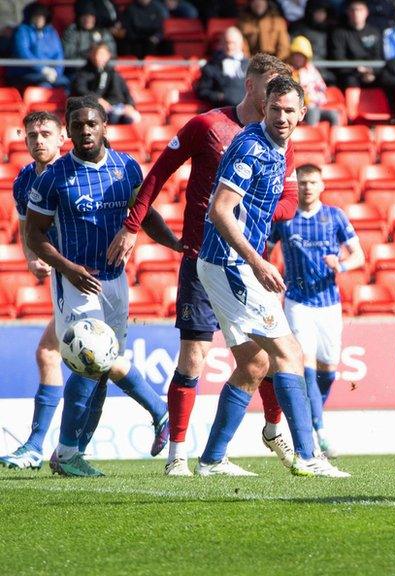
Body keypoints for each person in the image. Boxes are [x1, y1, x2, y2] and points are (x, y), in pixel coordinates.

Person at [105, 53, 299, 477]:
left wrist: (255, 210)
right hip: (201, 259)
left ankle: (271, 430)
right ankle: (178, 455)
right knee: (193, 359)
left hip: (246, 264)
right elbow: (158, 173)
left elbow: (291, 199)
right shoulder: (209, 126)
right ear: (251, 86)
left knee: (269, 354)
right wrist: (133, 226)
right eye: (270, 89)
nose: (277, 102)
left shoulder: (279, 141)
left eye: (284, 97)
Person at [194, 76, 346, 478]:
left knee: (255, 364)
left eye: (288, 110)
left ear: (302, 113)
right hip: (231, 264)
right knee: (289, 354)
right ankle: (308, 457)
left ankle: (210, 460)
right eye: (274, 108)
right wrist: (258, 262)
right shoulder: (250, 147)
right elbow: (220, 211)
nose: (281, 117)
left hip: (227, 264)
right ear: (265, 108)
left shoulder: (280, 149)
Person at [24, 97, 176, 477]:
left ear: (105, 126)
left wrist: (177, 245)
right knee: (91, 360)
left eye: (92, 124)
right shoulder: (53, 177)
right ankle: (70, 451)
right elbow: (35, 234)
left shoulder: (126, 167)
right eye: (78, 125)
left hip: (115, 280)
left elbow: (147, 215)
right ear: (70, 131)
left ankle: (73, 454)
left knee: (103, 368)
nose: (85, 131)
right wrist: (67, 267)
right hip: (76, 283)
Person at [268, 164, 364, 458]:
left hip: (329, 305)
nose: (308, 187)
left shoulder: (334, 216)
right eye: (303, 182)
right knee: (305, 362)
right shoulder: (285, 217)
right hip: (297, 302)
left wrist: (343, 265)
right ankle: (319, 432)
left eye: (313, 182)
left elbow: (358, 254)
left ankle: (311, 416)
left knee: (328, 369)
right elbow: (265, 249)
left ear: (322, 186)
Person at [0, 112, 66, 470]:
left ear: (61, 138)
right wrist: (31, 259)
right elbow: (28, 230)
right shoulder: (25, 179)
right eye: (32, 135)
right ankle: (160, 413)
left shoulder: (72, 172)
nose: (38, 140)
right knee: (94, 361)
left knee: (51, 353)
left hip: (84, 277)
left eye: (45, 133)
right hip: (63, 279)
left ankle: (36, 446)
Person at [70, 42, 141, 125]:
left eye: (103, 54)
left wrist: (129, 104)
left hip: (116, 106)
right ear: (91, 55)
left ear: (108, 55)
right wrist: (96, 99)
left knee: (133, 117)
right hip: (94, 107)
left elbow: (125, 91)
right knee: (111, 117)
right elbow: (80, 89)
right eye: (97, 54)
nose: (100, 58)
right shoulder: (83, 73)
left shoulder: (113, 72)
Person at [8, 3, 70, 90]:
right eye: (36, 16)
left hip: (50, 73)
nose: (39, 19)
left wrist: (56, 71)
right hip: (26, 73)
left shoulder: (51, 32)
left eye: (42, 17)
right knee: (45, 86)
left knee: (66, 83)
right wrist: (42, 69)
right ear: (30, 17)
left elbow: (58, 53)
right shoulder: (22, 31)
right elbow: (23, 53)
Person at [287, 35, 341, 126]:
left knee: (334, 114)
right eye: (296, 56)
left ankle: (335, 138)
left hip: (316, 105)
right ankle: (313, 137)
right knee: (312, 112)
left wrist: (314, 98)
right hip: (298, 109)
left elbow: (322, 88)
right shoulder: (288, 71)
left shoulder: (311, 70)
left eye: (301, 56)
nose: (298, 59)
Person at [331, 0, 384, 88]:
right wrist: (357, 69)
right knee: (350, 81)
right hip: (350, 74)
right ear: (347, 12)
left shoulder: (375, 32)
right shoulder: (339, 33)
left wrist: (371, 71)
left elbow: (378, 57)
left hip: (371, 73)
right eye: (353, 10)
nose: (356, 13)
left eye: (360, 10)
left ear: (366, 12)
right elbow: (338, 58)